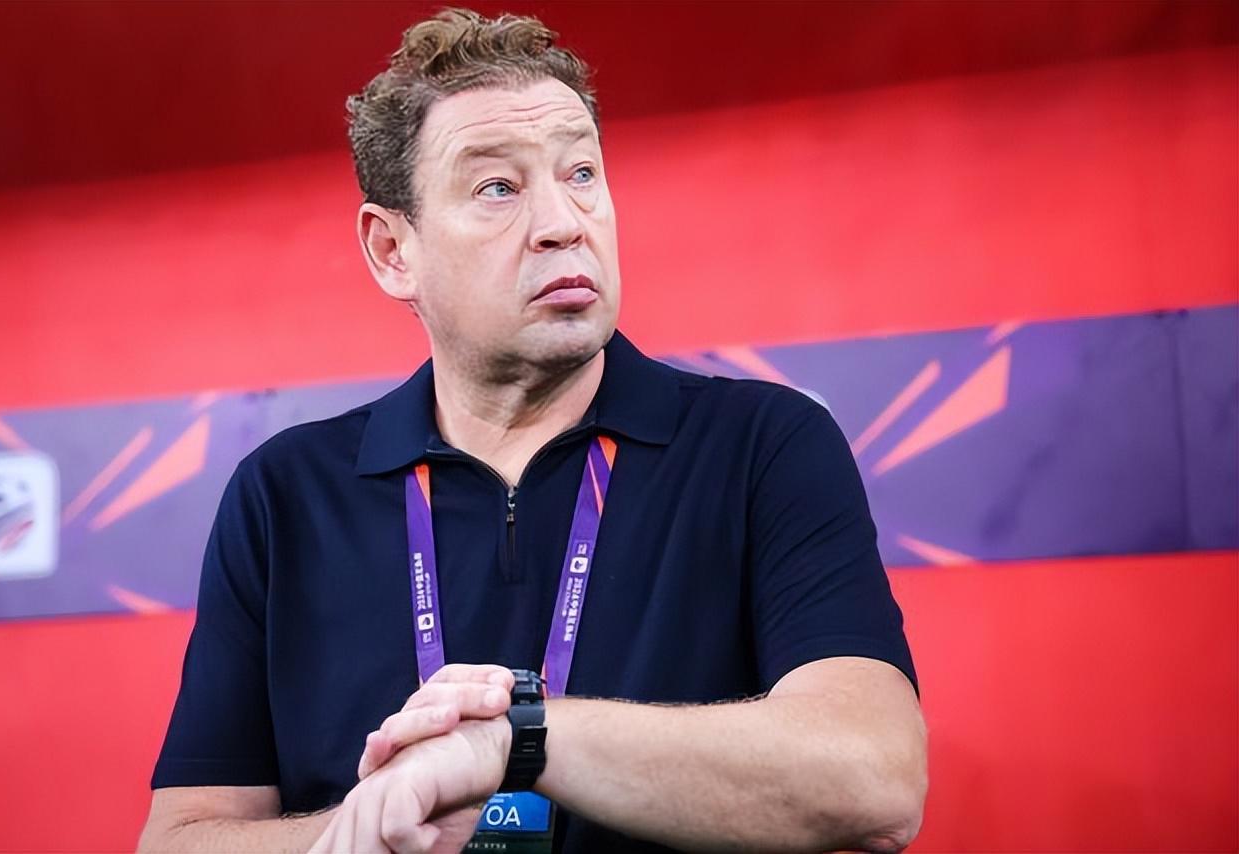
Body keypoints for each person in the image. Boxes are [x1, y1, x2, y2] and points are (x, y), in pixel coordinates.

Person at [138, 8, 927, 853]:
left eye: (581, 172)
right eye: (498, 188)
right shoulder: (285, 495)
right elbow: (178, 840)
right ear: (393, 250)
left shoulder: (764, 444)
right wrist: (369, 831)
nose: (563, 221)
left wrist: (515, 741)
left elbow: (874, 779)